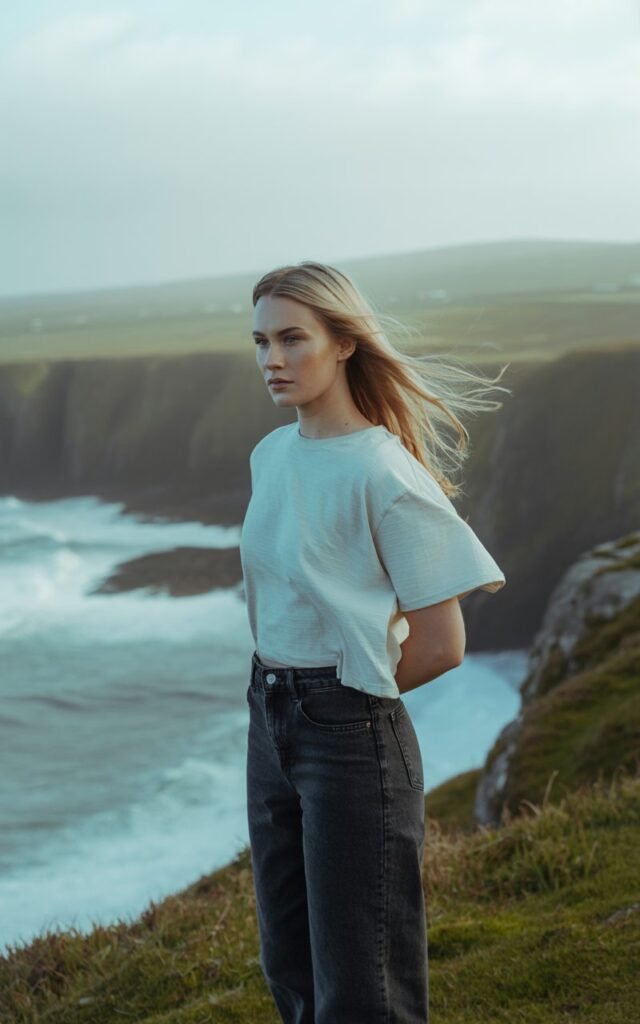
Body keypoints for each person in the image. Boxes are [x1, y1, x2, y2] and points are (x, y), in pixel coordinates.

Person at [239, 260, 509, 1023]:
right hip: (268, 714)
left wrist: (346, 703)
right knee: (289, 963)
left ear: (344, 343)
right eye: (261, 341)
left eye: (294, 338)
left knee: (365, 987)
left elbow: (441, 643)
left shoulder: (386, 472)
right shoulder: (271, 456)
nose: (273, 360)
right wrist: (290, 703)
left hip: (349, 728)